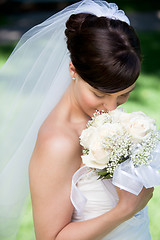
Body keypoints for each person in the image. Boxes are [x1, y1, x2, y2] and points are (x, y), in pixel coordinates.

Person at [0, 0, 153, 240]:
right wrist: (125, 210)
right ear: (73, 70)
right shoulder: (58, 143)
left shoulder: (104, 118)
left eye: (124, 93)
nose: (111, 108)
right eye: (99, 94)